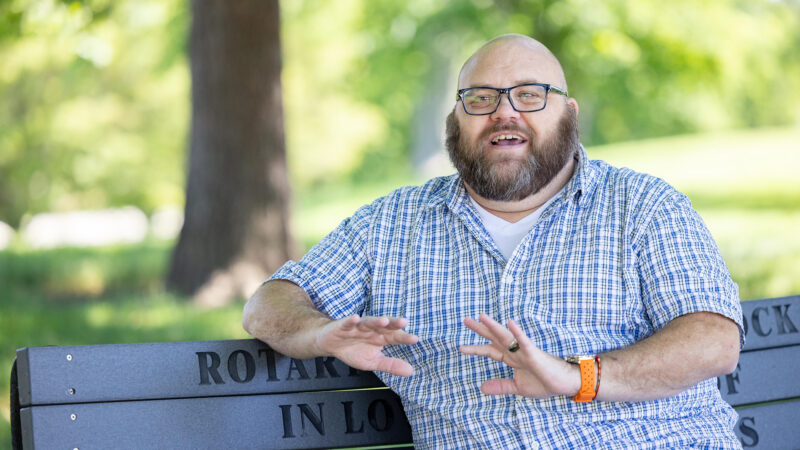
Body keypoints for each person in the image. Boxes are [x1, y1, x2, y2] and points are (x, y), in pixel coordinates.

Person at [242, 34, 744, 448]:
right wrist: (319, 335)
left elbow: (713, 340)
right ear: (455, 121)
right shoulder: (389, 226)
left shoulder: (643, 206)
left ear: (568, 112)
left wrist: (578, 376)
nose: (504, 112)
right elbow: (269, 303)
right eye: (480, 98)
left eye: (529, 95)